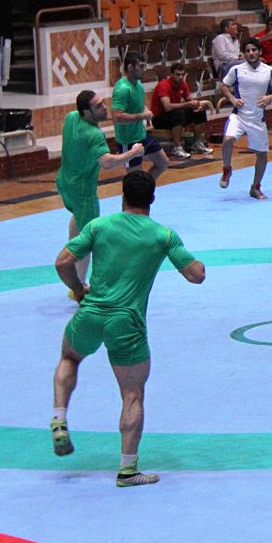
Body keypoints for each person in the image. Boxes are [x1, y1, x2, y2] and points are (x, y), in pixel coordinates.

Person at [50, 170, 206, 487]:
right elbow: (196, 276)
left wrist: (78, 289)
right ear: (152, 199)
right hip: (127, 324)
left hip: (90, 315)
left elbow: (63, 261)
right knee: (132, 394)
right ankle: (127, 469)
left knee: (70, 358)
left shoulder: (99, 226)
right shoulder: (162, 236)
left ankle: (59, 417)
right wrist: (197, 264)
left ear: (122, 196)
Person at [56, 90, 146, 283]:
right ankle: (79, 284)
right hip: (83, 191)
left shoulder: (71, 117)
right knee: (89, 238)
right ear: (86, 112)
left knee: (79, 219)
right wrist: (133, 152)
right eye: (98, 106)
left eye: (103, 103)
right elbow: (107, 162)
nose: (105, 107)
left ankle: (74, 258)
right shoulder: (94, 134)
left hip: (64, 182)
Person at [219, 37, 272, 199]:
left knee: (261, 155)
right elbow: (224, 85)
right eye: (247, 51)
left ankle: (255, 187)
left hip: (257, 119)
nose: (251, 53)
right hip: (239, 116)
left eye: (254, 50)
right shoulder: (236, 70)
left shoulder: (269, 71)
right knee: (227, 139)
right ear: (244, 53)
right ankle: (227, 169)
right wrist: (232, 99)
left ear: (260, 52)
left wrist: (270, 97)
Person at [112, 54, 174, 171]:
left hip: (141, 135)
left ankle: (145, 183)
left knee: (163, 163)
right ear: (130, 67)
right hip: (128, 140)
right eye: (140, 66)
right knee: (136, 176)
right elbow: (117, 117)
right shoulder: (123, 89)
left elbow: (140, 104)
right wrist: (142, 116)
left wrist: (146, 110)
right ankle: (140, 183)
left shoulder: (138, 84)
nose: (144, 69)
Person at [151, 62, 211, 155]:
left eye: (182, 74)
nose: (181, 77)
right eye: (178, 74)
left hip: (174, 115)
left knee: (199, 111)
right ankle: (177, 147)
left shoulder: (183, 84)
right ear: (171, 74)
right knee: (178, 113)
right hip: (159, 119)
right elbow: (167, 107)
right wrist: (189, 104)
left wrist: (197, 105)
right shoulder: (163, 85)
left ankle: (197, 143)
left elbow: (189, 100)